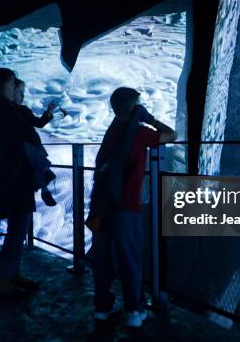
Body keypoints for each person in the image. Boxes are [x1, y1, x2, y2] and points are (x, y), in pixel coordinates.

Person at [88, 87, 177, 328]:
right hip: (125, 207)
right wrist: (148, 118)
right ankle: (135, 311)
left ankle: (102, 308)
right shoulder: (139, 133)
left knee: (103, 259)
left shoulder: (112, 130)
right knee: (129, 258)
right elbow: (172, 135)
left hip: (101, 204)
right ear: (135, 107)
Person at [0, 67, 41, 300]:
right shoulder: (2, 112)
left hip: (17, 174)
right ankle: (4, 280)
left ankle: (13, 274)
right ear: (0, 86)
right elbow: (17, 140)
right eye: (12, 83)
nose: (16, 87)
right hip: (15, 176)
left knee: (18, 230)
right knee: (17, 231)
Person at [13, 78, 58, 206]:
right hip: (28, 146)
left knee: (40, 167)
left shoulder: (23, 110)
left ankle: (44, 188)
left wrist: (48, 112)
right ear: (12, 92)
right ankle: (44, 189)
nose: (23, 96)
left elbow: (39, 123)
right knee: (40, 167)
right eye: (20, 92)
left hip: (32, 144)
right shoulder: (11, 112)